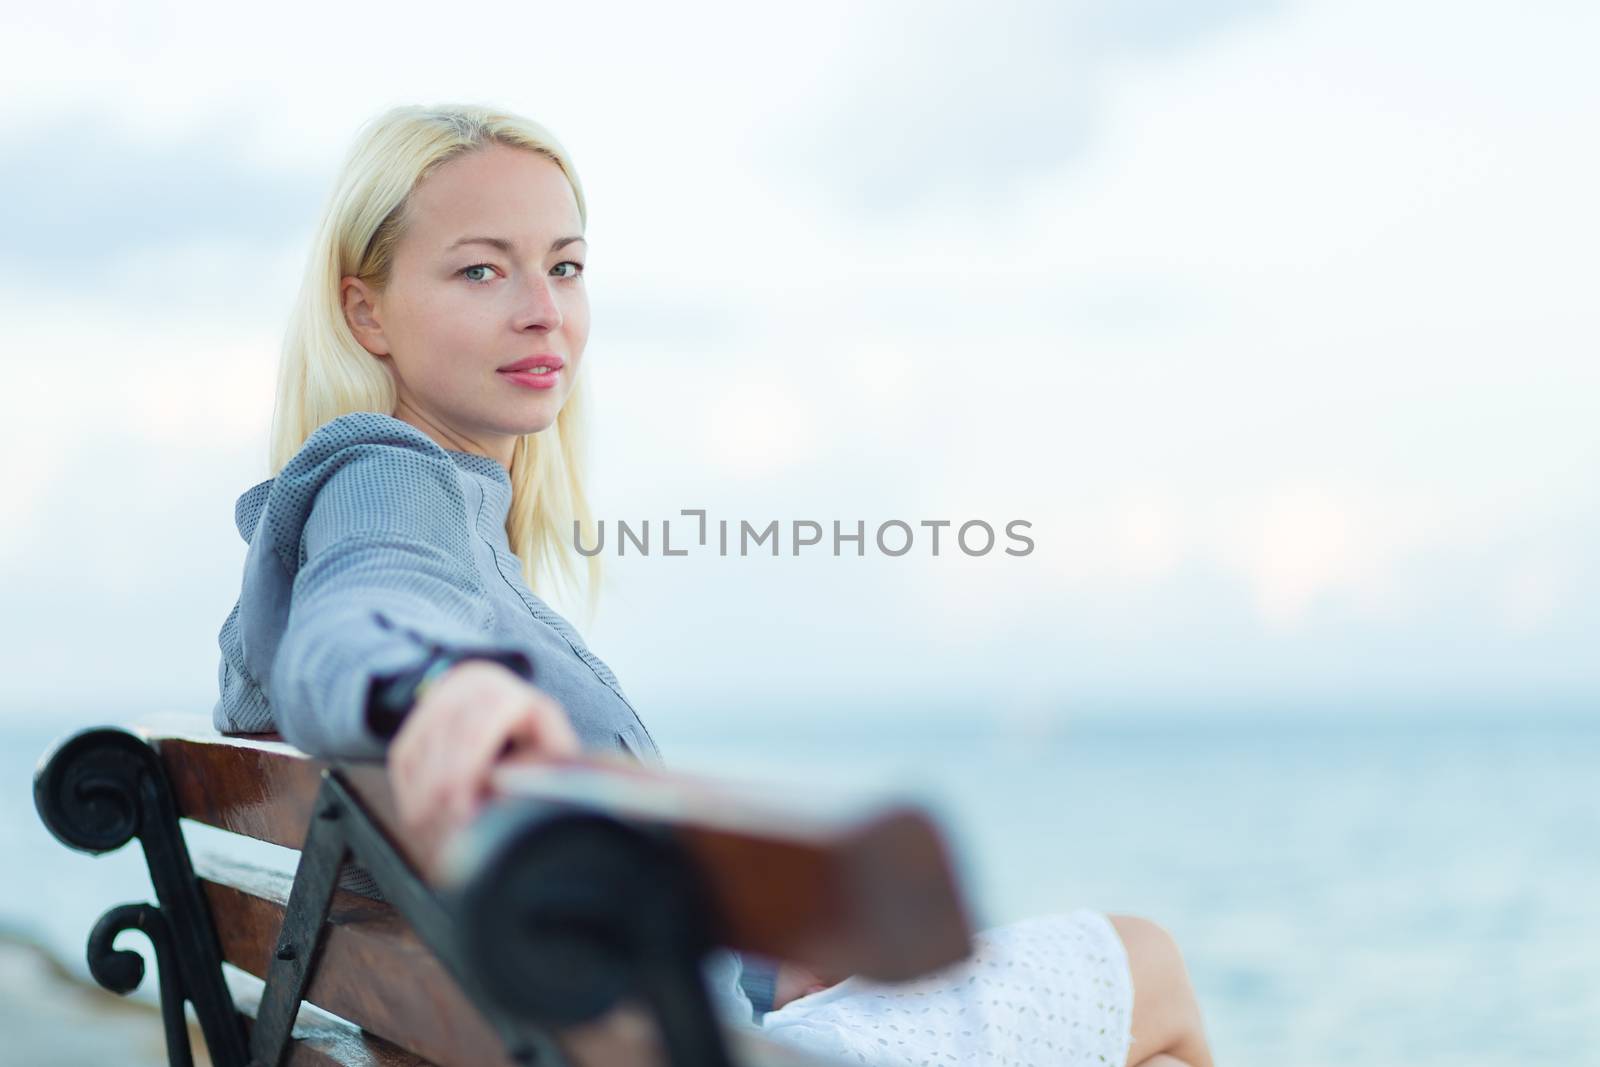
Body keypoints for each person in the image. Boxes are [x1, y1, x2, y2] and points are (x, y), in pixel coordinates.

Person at [212, 102, 1215, 1067]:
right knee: (1148, 964)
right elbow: (358, 618)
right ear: (365, 311)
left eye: (565, 267)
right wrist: (430, 688)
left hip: (639, 1025)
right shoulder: (389, 480)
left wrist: (768, 964)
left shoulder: (439, 515)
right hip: (672, 1048)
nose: (543, 311)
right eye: (481, 270)